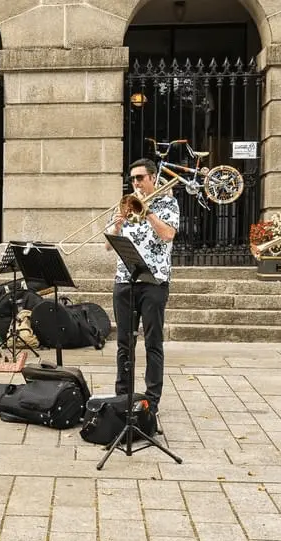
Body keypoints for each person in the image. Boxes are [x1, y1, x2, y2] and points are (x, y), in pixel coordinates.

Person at [105, 158, 179, 415]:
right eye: (133, 179)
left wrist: (147, 212)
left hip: (154, 282)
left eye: (140, 178)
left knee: (153, 343)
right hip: (124, 280)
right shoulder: (125, 204)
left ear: (152, 178)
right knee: (124, 343)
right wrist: (117, 223)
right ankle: (122, 396)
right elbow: (107, 245)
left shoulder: (169, 203)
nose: (136, 182)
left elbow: (168, 235)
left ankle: (152, 400)